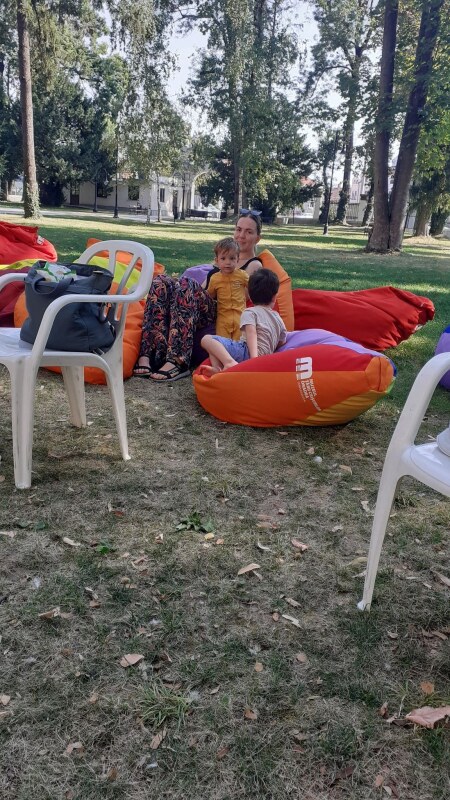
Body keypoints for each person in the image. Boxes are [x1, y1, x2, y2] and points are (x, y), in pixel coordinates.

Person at [133, 210, 263, 381]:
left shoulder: (253, 265)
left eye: (249, 231)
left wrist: (189, 288)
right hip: (203, 303)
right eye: (239, 229)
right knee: (161, 282)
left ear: (257, 238)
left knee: (187, 284)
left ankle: (178, 360)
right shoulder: (223, 256)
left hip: (221, 311)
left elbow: (244, 298)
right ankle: (148, 354)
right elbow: (203, 290)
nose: (241, 235)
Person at [200, 268, 287, 375]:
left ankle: (229, 363)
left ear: (250, 296)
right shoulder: (278, 318)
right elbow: (282, 341)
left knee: (207, 339)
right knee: (217, 346)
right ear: (274, 297)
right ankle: (218, 370)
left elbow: (251, 333)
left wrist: (254, 360)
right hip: (265, 357)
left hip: (247, 353)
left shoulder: (250, 312)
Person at [206, 237, 249, 339]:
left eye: (232, 258)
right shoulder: (215, 278)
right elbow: (209, 296)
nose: (228, 262)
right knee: (222, 343)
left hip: (240, 318)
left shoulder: (242, 275)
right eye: (223, 258)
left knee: (240, 343)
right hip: (223, 319)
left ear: (237, 259)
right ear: (217, 261)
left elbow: (254, 288)